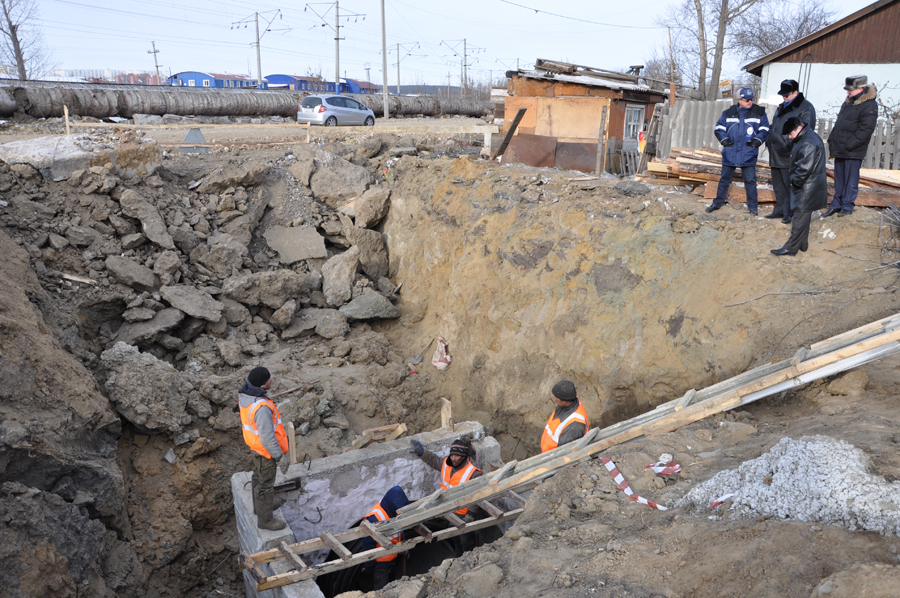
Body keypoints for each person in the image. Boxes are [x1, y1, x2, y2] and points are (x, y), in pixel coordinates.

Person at [410, 437, 484, 553]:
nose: (453, 459)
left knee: (465, 540)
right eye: (452, 455)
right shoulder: (447, 463)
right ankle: (458, 554)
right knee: (453, 536)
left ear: (464, 456)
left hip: (462, 514)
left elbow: (477, 494)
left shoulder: (473, 473)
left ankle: (470, 556)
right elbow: (434, 460)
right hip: (447, 509)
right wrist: (421, 452)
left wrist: (470, 514)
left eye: (457, 456)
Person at [239, 366, 290, 531]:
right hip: (265, 451)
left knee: (258, 476)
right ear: (262, 385)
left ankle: (259, 507)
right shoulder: (261, 408)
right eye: (269, 379)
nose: (272, 380)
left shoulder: (247, 397)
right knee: (266, 484)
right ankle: (265, 519)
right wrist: (279, 456)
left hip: (255, 446)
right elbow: (267, 438)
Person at [706, 87, 770, 216]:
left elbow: (764, 129)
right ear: (739, 100)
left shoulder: (759, 113)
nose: (749, 102)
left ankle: (753, 207)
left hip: (748, 152)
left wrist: (757, 141)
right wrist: (724, 140)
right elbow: (719, 128)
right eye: (746, 100)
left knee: (750, 181)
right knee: (724, 179)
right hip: (731, 151)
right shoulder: (728, 113)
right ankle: (717, 202)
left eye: (751, 99)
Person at [771, 116, 827, 256]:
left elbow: (804, 169)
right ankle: (802, 244)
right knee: (804, 216)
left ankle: (791, 248)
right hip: (811, 185)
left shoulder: (808, 143)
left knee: (799, 217)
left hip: (807, 186)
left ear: (799, 128)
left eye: (791, 133)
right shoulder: (807, 137)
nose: (789, 137)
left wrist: (794, 181)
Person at [824, 75, 879, 217]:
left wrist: (849, 145)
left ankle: (847, 206)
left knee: (851, 180)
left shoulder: (870, 104)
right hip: (840, 147)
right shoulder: (848, 102)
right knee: (839, 179)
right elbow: (839, 123)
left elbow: (866, 130)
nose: (848, 92)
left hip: (853, 150)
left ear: (861, 88)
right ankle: (836, 204)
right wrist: (832, 140)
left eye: (851, 90)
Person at [765, 79, 816, 223]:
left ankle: (789, 212)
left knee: (790, 185)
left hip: (789, 153)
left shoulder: (805, 107)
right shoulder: (782, 106)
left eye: (787, 95)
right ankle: (780, 209)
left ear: (795, 92)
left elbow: (805, 129)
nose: (784, 97)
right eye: (783, 95)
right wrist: (770, 139)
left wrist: (788, 144)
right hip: (775, 152)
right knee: (778, 185)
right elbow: (775, 125)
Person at [359, 486, 410, 590]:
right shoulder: (375, 519)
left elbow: (399, 531)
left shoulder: (395, 511)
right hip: (381, 563)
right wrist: (369, 565)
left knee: (392, 584)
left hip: (393, 557)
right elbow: (368, 544)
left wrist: (403, 546)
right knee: (381, 589)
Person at [541, 380, 590, 453]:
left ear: (565, 401)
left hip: (553, 460)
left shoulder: (574, 427)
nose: (554, 398)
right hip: (547, 453)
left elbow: (564, 454)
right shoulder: (569, 402)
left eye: (557, 397)